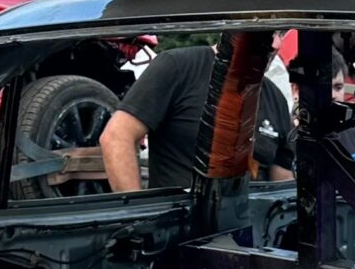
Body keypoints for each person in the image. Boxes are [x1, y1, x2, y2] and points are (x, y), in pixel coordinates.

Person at [99, 38, 294, 193]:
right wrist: (139, 217)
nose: (276, 44)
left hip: (250, 226)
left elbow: (282, 184)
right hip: (179, 224)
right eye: (265, 31)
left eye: (280, 33)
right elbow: (116, 137)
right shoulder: (178, 66)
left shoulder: (275, 97)